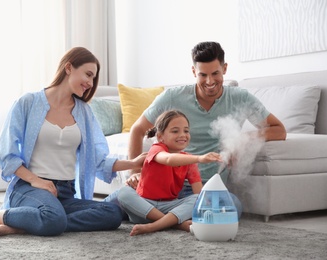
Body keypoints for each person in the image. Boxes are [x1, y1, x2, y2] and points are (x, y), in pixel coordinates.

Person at [0, 47, 146, 237]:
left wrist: (133, 163)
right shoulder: (28, 103)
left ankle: (29, 223)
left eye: (93, 79)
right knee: (54, 218)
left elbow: (97, 161)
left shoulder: (84, 113)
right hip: (30, 187)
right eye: (88, 75)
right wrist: (37, 181)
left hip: (64, 192)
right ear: (68, 67)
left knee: (113, 214)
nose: (90, 83)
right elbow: (7, 155)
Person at [112, 41, 287, 216]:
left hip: (204, 191)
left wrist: (242, 140)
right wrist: (135, 172)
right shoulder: (173, 97)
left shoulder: (241, 98)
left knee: (233, 207)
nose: (210, 81)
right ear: (194, 71)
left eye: (215, 73)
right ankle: (170, 215)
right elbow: (138, 129)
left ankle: (160, 215)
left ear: (225, 69)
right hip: (162, 186)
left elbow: (279, 130)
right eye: (203, 75)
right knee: (114, 206)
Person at [117, 110, 222, 236]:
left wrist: (209, 208)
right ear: (160, 137)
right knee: (124, 192)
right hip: (144, 207)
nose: (183, 135)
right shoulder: (156, 149)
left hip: (170, 207)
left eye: (186, 131)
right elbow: (168, 159)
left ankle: (154, 225)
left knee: (198, 199)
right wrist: (200, 158)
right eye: (175, 131)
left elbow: (198, 193)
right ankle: (176, 224)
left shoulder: (188, 160)